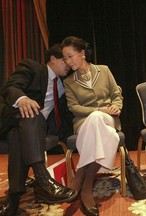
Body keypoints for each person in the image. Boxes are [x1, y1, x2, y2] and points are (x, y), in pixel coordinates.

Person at [0, 44, 78, 215]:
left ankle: (14, 197)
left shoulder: (64, 85)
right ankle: (43, 179)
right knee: (31, 114)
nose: (68, 64)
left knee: (18, 135)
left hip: (32, 130)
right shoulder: (32, 67)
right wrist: (22, 99)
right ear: (53, 59)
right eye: (64, 59)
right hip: (13, 117)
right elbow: (10, 87)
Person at [61, 36, 123, 216]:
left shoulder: (104, 70)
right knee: (98, 121)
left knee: (99, 119)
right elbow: (74, 108)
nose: (67, 61)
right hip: (84, 122)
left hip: (109, 119)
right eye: (65, 58)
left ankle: (81, 175)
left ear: (82, 54)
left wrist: (116, 107)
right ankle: (88, 184)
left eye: (70, 56)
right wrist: (99, 109)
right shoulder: (69, 82)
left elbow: (116, 94)